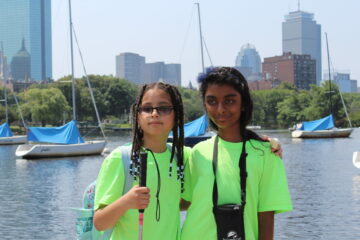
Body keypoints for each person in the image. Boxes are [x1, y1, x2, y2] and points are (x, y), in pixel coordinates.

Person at [181, 67, 292, 240]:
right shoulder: (197, 152)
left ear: (243, 104)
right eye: (212, 101)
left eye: (229, 101)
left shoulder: (267, 153)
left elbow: (266, 217)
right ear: (204, 105)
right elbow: (184, 202)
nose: (220, 109)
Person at [93, 82, 190, 239]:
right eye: (146, 108)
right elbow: (100, 223)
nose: (154, 114)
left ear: (177, 115)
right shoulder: (121, 158)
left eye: (164, 108)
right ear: (138, 116)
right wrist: (126, 202)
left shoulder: (183, 157)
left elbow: (183, 202)